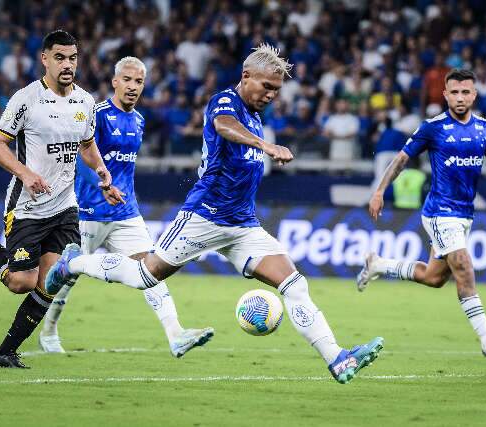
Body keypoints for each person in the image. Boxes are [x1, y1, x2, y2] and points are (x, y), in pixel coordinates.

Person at [46, 44, 384, 384]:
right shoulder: (224, 102)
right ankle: (71, 264)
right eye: (266, 86)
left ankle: (338, 359)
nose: (271, 95)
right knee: (145, 276)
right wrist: (265, 146)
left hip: (243, 225)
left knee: (295, 284)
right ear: (246, 77)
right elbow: (223, 125)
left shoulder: (254, 115)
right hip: (204, 216)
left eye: (276, 91)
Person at [0, 30, 123, 368]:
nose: (67, 64)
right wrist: (25, 173)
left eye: (73, 58)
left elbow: (87, 144)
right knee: (21, 282)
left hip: (65, 207)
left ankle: (5, 352)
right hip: (27, 207)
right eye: (60, 57)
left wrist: (102, 172)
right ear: (45, 59)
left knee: (51, 282)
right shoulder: (26, 99)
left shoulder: (86, 102)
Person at [39, 56, 213, 357]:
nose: (133, 87)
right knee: (68, 276)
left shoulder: (139, 120)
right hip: (89, 210)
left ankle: (176, 334)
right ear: (115, 82)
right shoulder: (99, 114)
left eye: (139, 82)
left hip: (126, 212)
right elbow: (81, 157)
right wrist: (102, 185)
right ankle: (49, 329)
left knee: (151, 270)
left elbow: (124, 168)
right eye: (128, 80)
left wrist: (118, 191)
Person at [357, 68, 486, 359]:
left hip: (464, 214)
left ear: (474, 95)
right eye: (455, 92)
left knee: (434, 278)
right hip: (439, 211)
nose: (460, 97)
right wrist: (378, 191)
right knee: (463, 265)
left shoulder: (485, 128)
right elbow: (401, 160)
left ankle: (379, 265)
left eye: (466, 92)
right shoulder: (432, 127)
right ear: (445, 94)